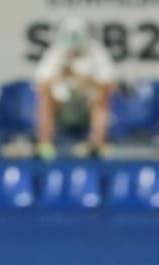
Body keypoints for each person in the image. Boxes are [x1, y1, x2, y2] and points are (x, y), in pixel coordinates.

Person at [34, 16, 113, 159]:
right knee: (45, 98)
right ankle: (44, 145)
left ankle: (96, 145)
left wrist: (83, 80)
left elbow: (108, 86)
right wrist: (59, 75)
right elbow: (40, 86)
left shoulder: (96, 52)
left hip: (87, 105)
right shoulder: (56, 51)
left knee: (100, 99)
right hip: (62, 107)